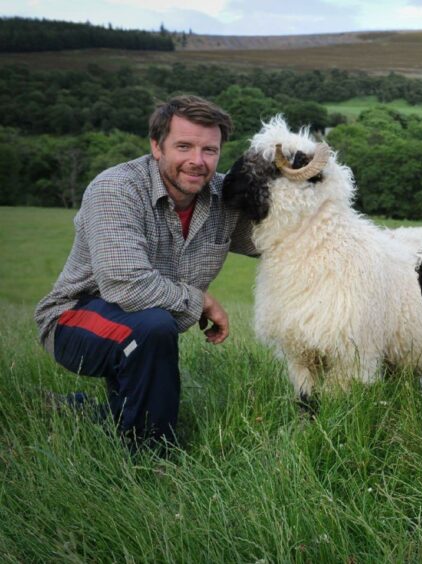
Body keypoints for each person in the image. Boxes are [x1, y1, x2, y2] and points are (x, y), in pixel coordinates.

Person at [34, 95, 257, 449]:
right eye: (184, 146)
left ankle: (84, 412)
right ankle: (151, 458)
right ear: (156, 146)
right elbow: (126, 285)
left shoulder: (223, 197)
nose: (197, 162)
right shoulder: (116, 188)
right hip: (74, 318)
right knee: (152, 327)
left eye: (210, 150)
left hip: (144, 323)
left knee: (152, 330)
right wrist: (198, 300)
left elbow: (278, 240)